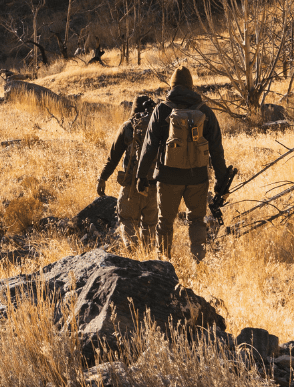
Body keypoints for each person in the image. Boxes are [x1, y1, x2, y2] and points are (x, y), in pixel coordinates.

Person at [137, 66, 228, 262]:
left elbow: (150, 146)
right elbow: (217, 151)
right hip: (198, 179)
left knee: (165, 223)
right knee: (196, 221)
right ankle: (198, 262)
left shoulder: (161, 110)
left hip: (168, 178)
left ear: (172, 86)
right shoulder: (205, 112)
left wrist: (141, 176)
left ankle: (164, 265)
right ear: (191, 86)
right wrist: (221, 183)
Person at [95, 95, 158, 249]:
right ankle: (148, 260)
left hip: (132, 185)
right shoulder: (159, 126)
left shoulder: (128, 126)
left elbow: (113, 157)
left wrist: (102, 178)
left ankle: (132, 254)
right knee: (150, 225)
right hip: (154, 186)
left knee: (127, 219)